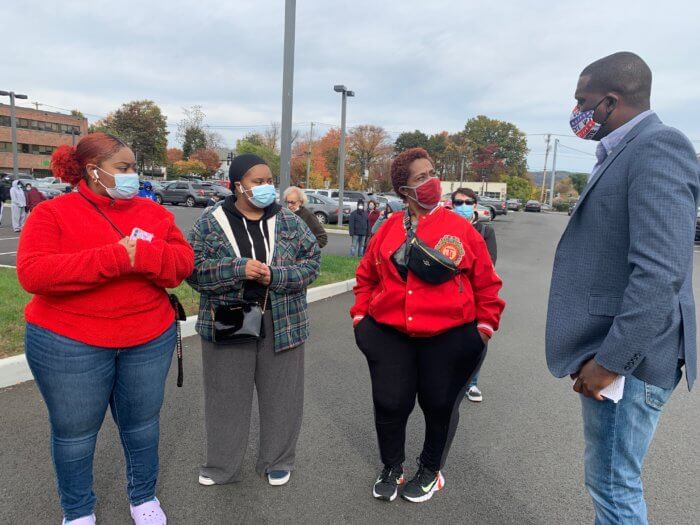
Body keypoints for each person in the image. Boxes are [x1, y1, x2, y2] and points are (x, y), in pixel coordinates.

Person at [546, 52, 699, 524]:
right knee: (610, 483)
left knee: (614, 486)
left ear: (610, 101)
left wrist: (610, 362)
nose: (576, 110)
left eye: (582, 100)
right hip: (619, 357)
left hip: (628, 362)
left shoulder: (658, 147)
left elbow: (659, 273)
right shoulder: (623, 152)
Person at [16, 133, 194, 525]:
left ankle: (143, 497)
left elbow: (181, 265)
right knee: (75, 434)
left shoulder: (155, 214)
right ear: (93, 171)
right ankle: (78, 511)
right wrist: (116, 258)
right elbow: (34, 273)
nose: (134, 176)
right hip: (67, 343)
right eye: (124, 168)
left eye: (135, 168)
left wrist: (143, 254)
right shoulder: (52, 213)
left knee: (143, 426)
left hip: (147, 339)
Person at [351, 148, 505, 503]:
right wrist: (362, 320)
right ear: (404, 190)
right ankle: (392, 466)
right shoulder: (388, 229)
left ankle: (430, 469)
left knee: (439, 403)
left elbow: (487, 284)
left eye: (432, 173)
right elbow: (366, 278)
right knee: (390, 402)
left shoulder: (461, 230)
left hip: (450, 337)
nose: (432, 181)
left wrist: (483, 329)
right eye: (422, 177)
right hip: (390, 335)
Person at [187, 153, 320, 488]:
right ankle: (221, 466)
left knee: (282, 396)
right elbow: (193, 269)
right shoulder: (211, 220)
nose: (266, 188)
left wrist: (276, 275)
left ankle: (277, 460)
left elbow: (311, 262)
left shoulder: (289, 220)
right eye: (257, 182)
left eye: (269, 181)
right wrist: (236, 269)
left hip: (283, 320)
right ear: (237, 186)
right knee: (226, 396)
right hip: (230, 319)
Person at [451, 188, 497, 403]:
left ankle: (472, 384)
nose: (463, 206)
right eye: (458, 202)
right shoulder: (446, 229)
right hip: (448, 297)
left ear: (475, 205)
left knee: (476, 340)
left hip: (473, 296)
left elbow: (489, 266)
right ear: (452, 204)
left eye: (468, 202)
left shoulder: (484, 231)